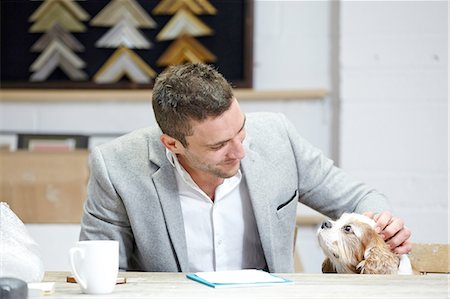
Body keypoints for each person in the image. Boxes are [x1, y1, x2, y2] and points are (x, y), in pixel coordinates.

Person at [80, 63, 411, 272]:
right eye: (219, 145)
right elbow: (100, 273)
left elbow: (361, 197)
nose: (240, 150)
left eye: (240, 130)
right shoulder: (116, 166)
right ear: (173, 144)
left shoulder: (278, 137)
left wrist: (382, 224)